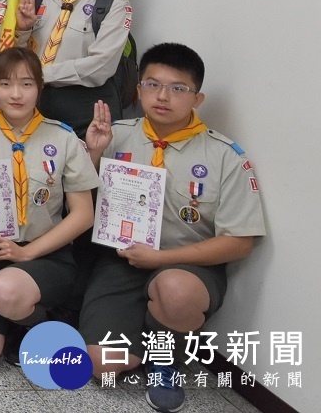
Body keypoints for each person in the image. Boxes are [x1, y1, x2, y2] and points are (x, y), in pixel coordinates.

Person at [80, 43, 265, 413]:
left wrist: (161, 258)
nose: (162, 96)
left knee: (175, 290)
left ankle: (165, 360)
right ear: (139, 89)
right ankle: (144, 335)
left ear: (197, 97)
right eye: (152, 84)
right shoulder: (113, 134)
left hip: (187, 268)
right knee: (104, 367)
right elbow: (73, 201)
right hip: (121, 261)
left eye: (177, 88)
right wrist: (94, 153)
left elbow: (241, 242)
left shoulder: (224, 155)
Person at [0, 47, 99, 369]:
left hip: (43, 255)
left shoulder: (65, 137)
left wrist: (26, 253)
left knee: (6, 290)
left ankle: (35, 320)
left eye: (27, 84)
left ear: (40, 88)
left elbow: (84, 214)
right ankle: (6, 313)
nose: (16, 94)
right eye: (5, 84)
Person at [16, 0, 132, 136]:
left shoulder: (113, 4)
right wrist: (23, 30)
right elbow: (18, 58)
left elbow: (100, 67)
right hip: (33, 106)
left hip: (84, 111)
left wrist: (39, 75)